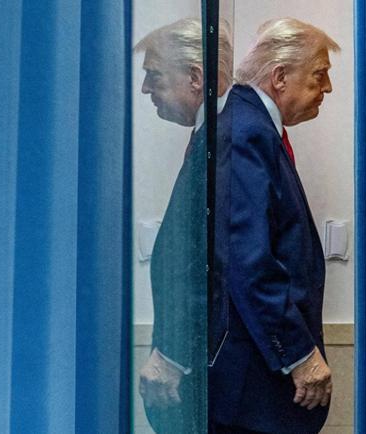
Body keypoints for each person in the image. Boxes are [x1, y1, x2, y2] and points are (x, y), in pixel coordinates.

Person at [208, 18, 340, 434]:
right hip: (254, 389)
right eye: (320, 74)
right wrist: (299, 354)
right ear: (280, 76)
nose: (328, 88)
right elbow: (246, 260)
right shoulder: (246, 132)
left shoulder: (252, 126)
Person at [133, 18, 233, 433]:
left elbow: (215, 262)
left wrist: (172, 353)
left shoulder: (228, 140)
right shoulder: (211, 136)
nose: (145, 89)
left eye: (153, 75)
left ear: (195, 77)